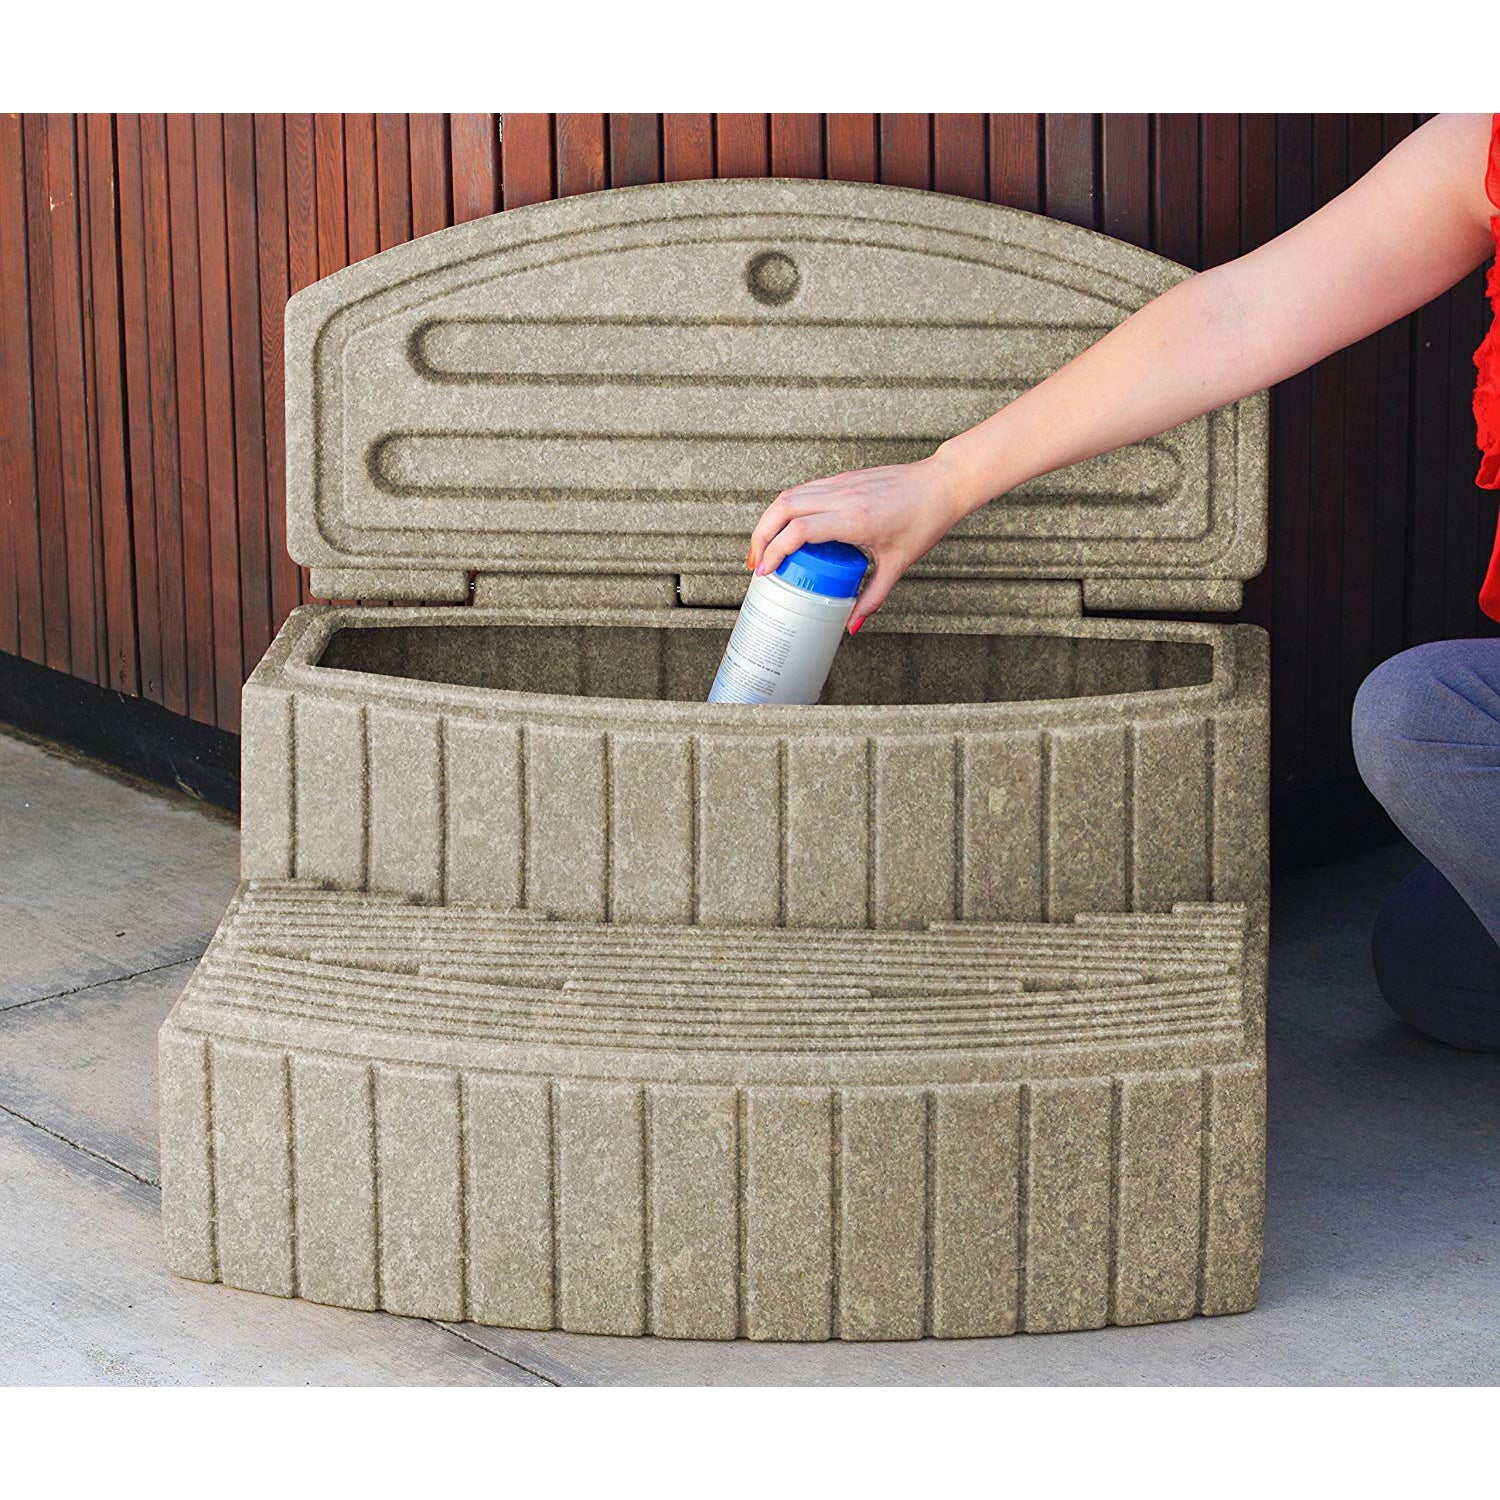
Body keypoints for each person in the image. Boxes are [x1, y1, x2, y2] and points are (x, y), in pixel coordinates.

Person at [747, 113, 1500, 1052]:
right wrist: (943, 481)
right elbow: (1244, 314)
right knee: (1430, 960)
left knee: (1419, 715)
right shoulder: (1482, 143)